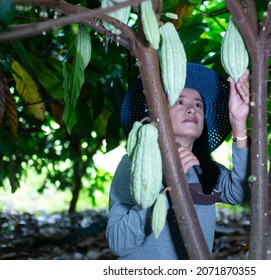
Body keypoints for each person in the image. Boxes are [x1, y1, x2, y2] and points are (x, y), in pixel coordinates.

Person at [106, 63, 251, 259]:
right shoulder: (134, 165)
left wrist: (239, 124)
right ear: (158, 114)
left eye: (198, 104)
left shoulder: (205, 170)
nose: (192, 109)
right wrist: (169, 185)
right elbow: (118, 242)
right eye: (180, 102)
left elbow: (241, 192)